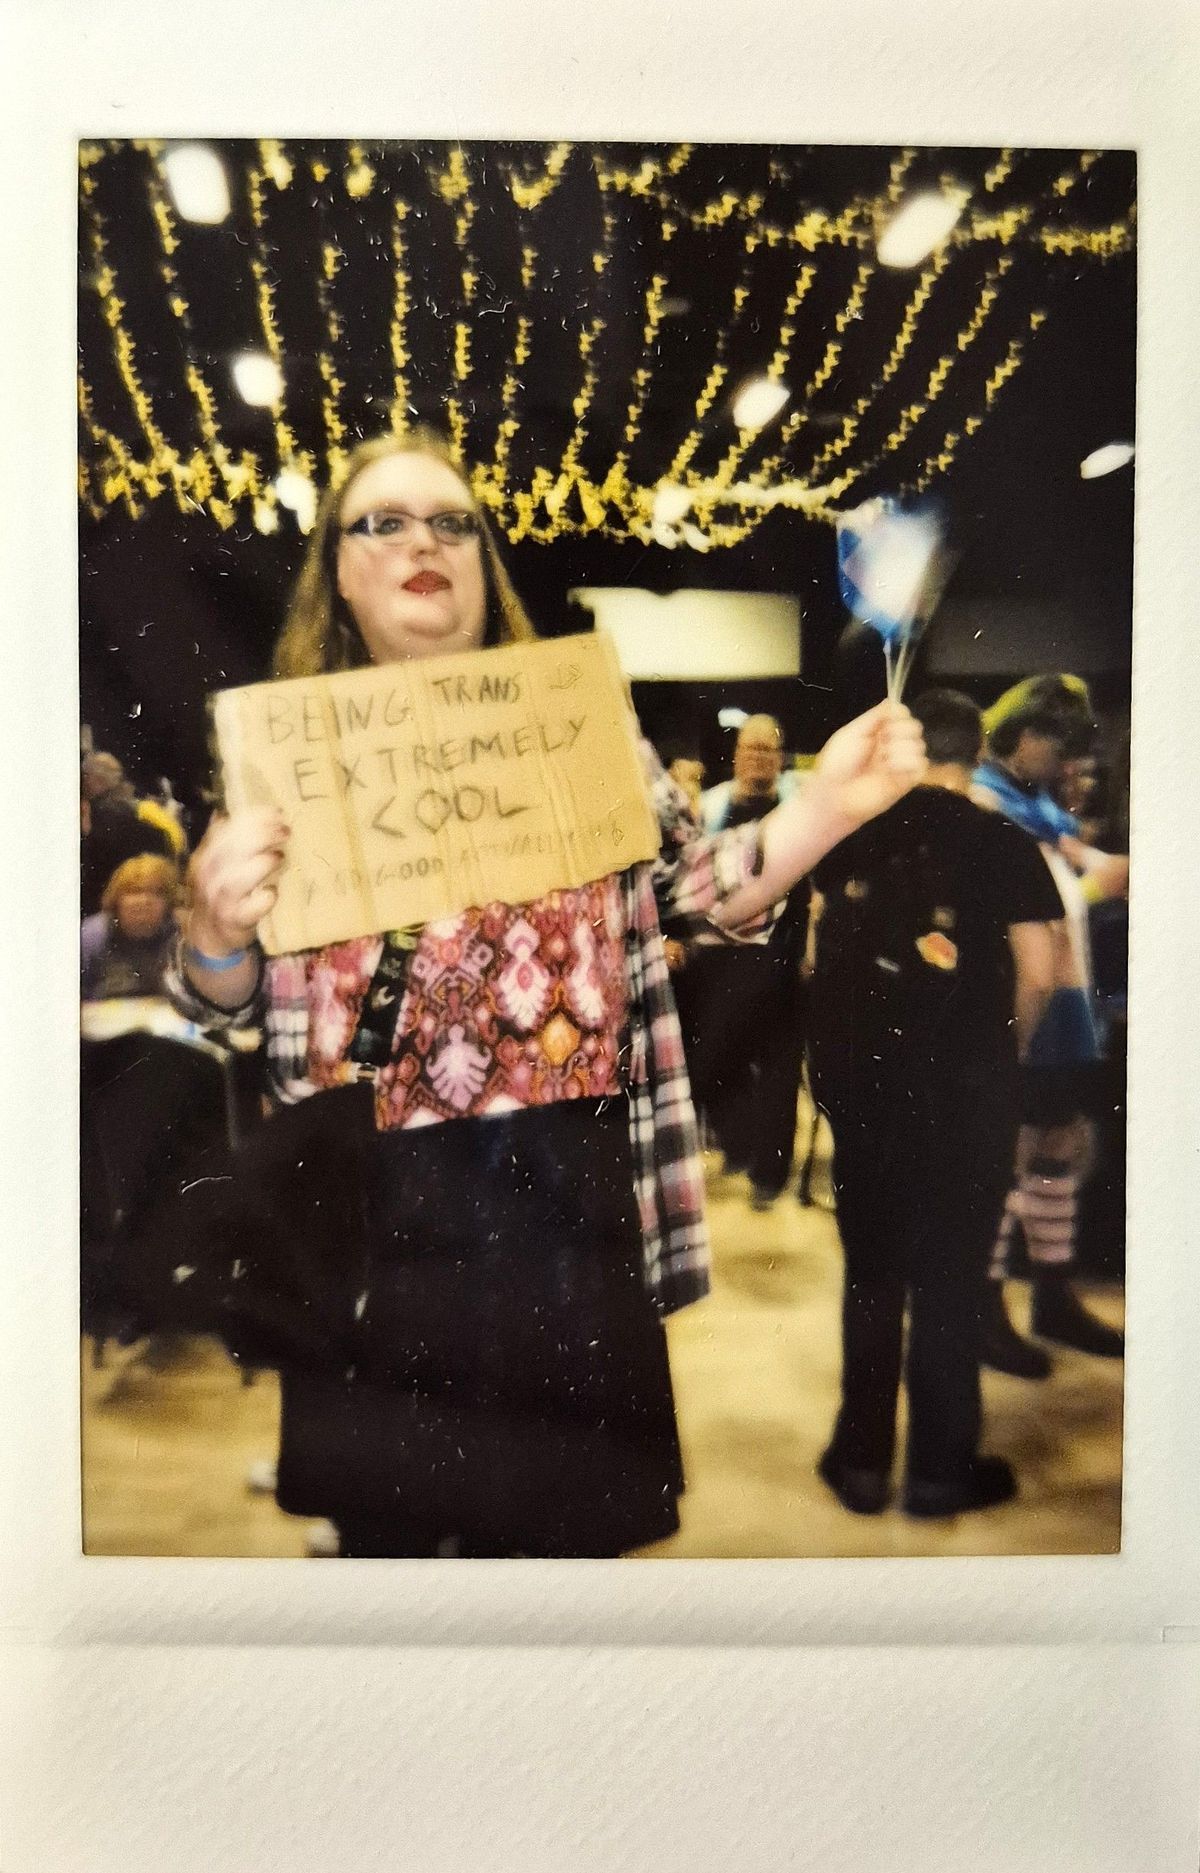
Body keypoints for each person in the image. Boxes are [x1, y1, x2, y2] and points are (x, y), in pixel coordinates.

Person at [166, 425, 925, 1559]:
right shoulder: (285, 756)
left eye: (452, 521)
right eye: (384, 522)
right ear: (337, 568)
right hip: (378, 1215)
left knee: (570, 1570)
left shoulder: (580, 732)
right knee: (397, 1564)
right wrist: (215, 929)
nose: (425, 540)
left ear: (484, 556)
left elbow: (695, 890)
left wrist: (830, 809)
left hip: (564, 1207)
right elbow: (221, 1003)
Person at [809, 690, 1062, 1518]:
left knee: (872, 1276)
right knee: (950, 1279)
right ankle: (939, 1472)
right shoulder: (1006, 841)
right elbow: (1039, 970)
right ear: (979, 747)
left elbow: (816, 957)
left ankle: (860, 1462)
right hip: (968, 1093)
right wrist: (1006, 1049)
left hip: (871, 1092)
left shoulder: (854, 833)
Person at [971, 675, 1127, 1373]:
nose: (1065, 763)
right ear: (1025, 733)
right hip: (1022, 1004)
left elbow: (1080, 878)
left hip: (1064, 1001)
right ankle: (988, 1309)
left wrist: (1092, 875)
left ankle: (1053, 1296)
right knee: (1013, 1152)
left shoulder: (1032, 806)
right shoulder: (987, 801)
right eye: (1057, 745)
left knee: (1059, 1142)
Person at [672, 716, 810, 1209]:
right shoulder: (710, 808)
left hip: (784, 955)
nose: (758, 758)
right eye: (750, 749)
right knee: (711, 1057)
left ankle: (769, 1174)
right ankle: (738, 1142)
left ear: (779, 758)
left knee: (778, 1066)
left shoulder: (800, 810)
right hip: (718, 958)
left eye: (767, 751)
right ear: (735, 755)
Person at [81, 853, 182, 1000]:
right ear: (116, 898)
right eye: (134, 891)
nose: (144, 901)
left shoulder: (180, 936)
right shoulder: (90, 936)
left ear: (169, 903)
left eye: (156, 893)